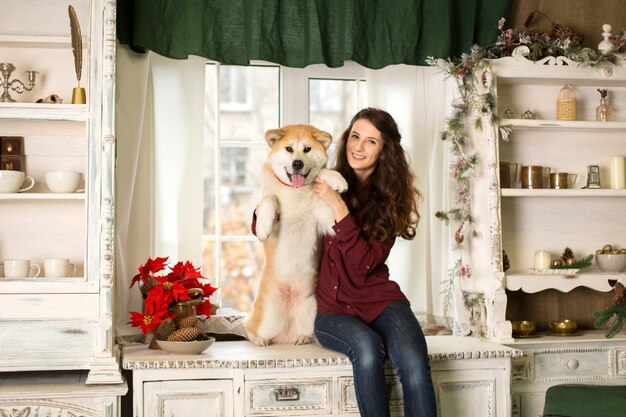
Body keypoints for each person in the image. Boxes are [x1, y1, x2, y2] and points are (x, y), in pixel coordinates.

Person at [312, 107, 437, 417]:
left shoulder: (393, 198)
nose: (358, 146)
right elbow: (286, 220)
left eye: (371, 141)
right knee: (367, 350)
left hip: (381, 301)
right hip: (334, 310)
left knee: (415, 365)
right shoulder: (323, 182)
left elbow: (363, 264)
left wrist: (338, 207)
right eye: (355, 136)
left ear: (384, 151)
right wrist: (261, 215)